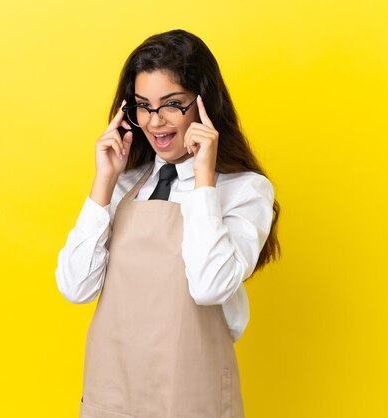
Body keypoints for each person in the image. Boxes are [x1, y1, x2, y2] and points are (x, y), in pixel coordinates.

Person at [56, 29, 280, 418]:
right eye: (143, 106)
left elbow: (210, 287)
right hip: (113, 394)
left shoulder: (244, 191)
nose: (155, 121)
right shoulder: (124, 182)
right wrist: (103, 181)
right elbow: (75, 287)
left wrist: (203, 179)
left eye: (172, 104)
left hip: (192, 398)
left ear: (203, 104)